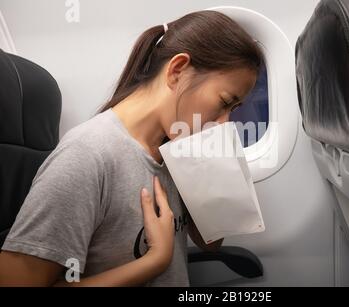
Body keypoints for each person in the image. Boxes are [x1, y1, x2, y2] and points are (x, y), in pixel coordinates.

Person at [0, 10, 263, 287]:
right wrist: (155, 261)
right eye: (223, 103)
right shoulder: (87, 155)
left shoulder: (176, 148)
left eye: (233, 111)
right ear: (177, 71)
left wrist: (215, 173)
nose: (225, 123)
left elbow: (211, 243)